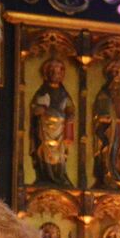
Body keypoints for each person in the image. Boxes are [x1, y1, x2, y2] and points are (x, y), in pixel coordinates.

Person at [29, 56, 75, 187]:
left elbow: (70, 107)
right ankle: (46, 176)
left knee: (60, 154)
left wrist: (70, 115)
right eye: (53, 71)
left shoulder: (63, 92)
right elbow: (35, 108)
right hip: (45, 128)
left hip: (60, 129)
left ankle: (59, 176)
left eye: (59, 72)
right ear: (47, 73)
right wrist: (41, 109)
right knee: (44, 151)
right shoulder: (43, 91)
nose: (56, 74)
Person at [92, 61, 120, 191]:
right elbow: (98, 113)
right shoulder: (104, 93)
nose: (116, 75)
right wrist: (104, 119)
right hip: (107, 130)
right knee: (107, 151)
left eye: (119, 72)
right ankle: (108, 176)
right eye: (114, 72)